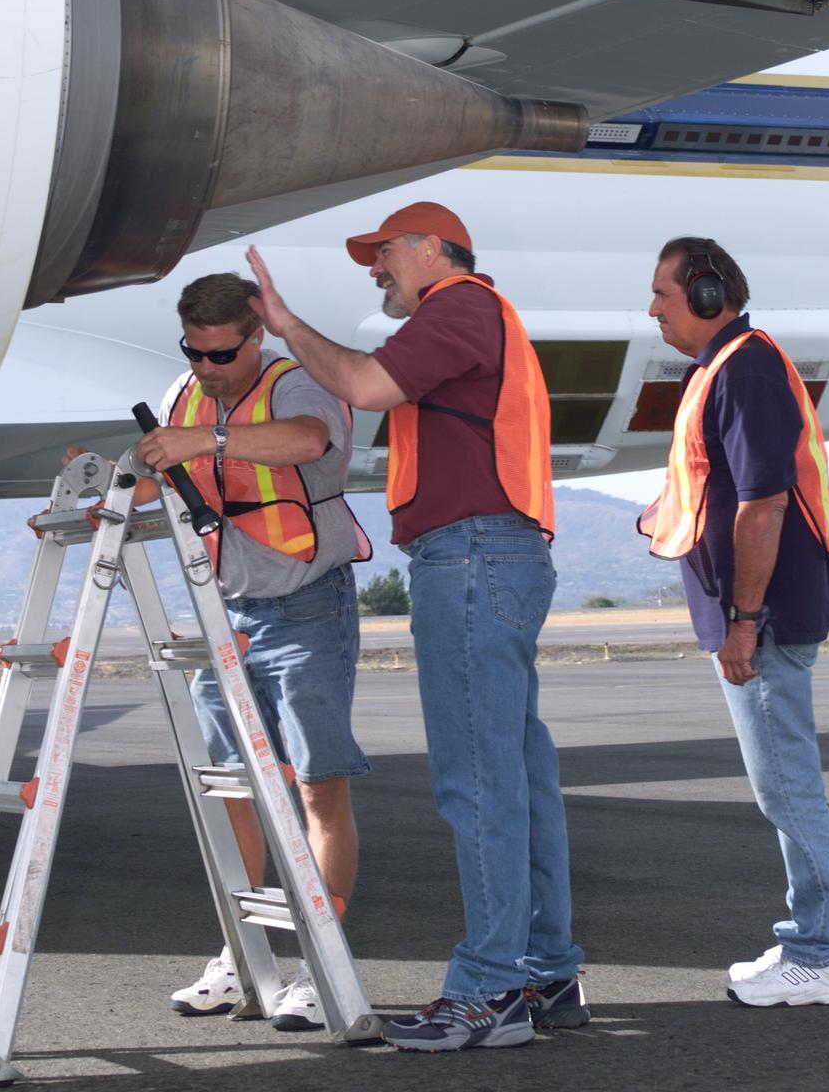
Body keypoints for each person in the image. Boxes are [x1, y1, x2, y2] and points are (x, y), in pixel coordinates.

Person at [246, 202, 588, 1052]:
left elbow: (362, 385)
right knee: (517, 777)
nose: (375, 268)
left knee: (477, 781)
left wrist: (286, 326)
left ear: (434, 249)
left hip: (471, 560)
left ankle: (490, 990)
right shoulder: (478, 315)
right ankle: (544, 971)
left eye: (385, 252)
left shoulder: (460, 307)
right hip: (495, 555)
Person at [119, 272, 371, 1029]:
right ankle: (245, 954)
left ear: (254, 337)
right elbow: (152, 473)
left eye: (220, 355)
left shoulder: (300, 387)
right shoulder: (184, 392)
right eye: (192, 353)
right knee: (230, 786)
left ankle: (320, 959)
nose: (205, 369)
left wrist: (207, 437)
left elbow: (306, 443)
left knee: (317, 788)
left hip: (307, 610)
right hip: (224, 615)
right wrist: (97, 493)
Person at [639, 236, 829, 1007]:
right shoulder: (720, 370)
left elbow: (762, 504)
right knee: (781, 784)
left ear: (705, 295)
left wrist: (742, 621)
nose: (653, 308)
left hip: (760, 622)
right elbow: (724, 491)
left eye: (663, 294)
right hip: (752, 617)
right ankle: (813, 940)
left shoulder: (745, 366)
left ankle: (822, 951)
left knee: (785, 786)